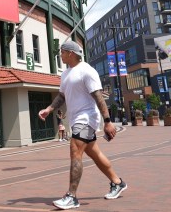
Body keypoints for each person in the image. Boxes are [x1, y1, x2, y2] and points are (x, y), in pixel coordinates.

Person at [39, 40, 128, 210]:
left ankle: (71, 196)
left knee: (75, 150)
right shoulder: (66, 74)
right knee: (95, 154)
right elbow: (62, 96)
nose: (60, 55)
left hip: (87, 118)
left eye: (62, 52)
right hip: (75, 119)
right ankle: (117, 182)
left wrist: (108, 122)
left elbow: (98, 97)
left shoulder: (87, 71)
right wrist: (49, 109)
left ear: (71, 53)